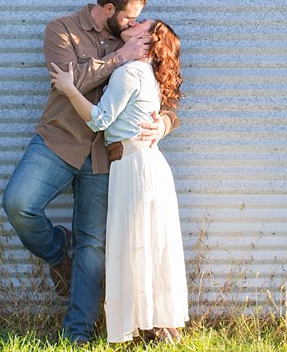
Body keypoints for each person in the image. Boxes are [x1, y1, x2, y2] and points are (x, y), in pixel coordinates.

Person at [1, 0, 179, 345]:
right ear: (109, 9)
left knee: (92, 245)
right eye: (130, 18)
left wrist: (164, 122)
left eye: (138, 20)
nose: (134, 24)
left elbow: (162, 90)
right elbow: (69, 81)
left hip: (105, 158)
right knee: (18, 204)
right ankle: (57, 251)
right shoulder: (62, 30)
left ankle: (78, 332)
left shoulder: (134, 43)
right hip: (58, 142)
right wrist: (118, 58)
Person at [50, 19, 188, 344]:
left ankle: (146, 328)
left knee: (134, 246)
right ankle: (156, 327)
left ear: (146, 40)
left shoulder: (129, 73)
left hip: (135, 167)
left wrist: (69, 87)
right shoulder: (147, 75)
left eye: (143, 24)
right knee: (148, 246)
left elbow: (99, 120)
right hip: (144, 165)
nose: (135, 21)